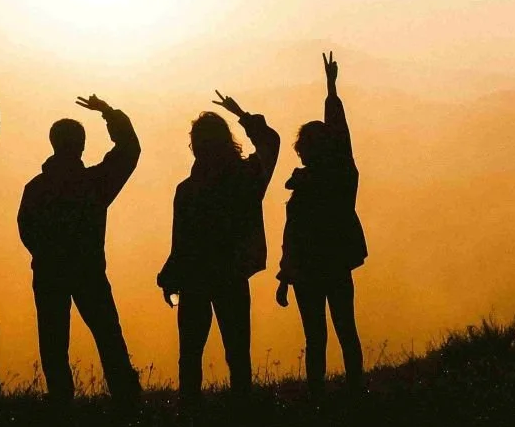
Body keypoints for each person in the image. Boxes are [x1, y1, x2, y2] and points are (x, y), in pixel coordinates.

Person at [17, 95, 142, 405]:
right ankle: (126, 396)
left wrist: (46, 255)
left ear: (53, 143)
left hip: (48, 272)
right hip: (88, 271)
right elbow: (130, 150)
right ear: (82, 145)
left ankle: (61, 400)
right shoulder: (94, 183)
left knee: (53, 340)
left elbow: (26, 228)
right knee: (107, 334)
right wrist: (109, 113)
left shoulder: (37, 187)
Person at [157, 92, 280, 403]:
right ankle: (242, 413)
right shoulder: (246, 178)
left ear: (196, 145)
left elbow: (180, 241)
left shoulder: (187, 190)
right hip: (231, 274)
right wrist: (242, 114)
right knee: (237, 352)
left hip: (194, 278)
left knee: (190, 354)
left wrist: (170, 278)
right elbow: (270, 143)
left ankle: (190, 414)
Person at [275, 52, 367, 396]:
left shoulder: (321, 180)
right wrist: (330, 90)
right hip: (333, 265)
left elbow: (292, 237)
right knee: (345, 330)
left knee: (317, 338)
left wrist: (286, 276)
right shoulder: (342, 176)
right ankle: (354, 392)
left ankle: (318, 398)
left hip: (309, 271)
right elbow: (341, 137)